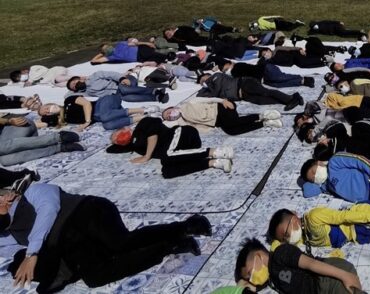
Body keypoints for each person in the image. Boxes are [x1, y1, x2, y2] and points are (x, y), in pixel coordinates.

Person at [0, 168, 212, 292]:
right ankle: (168, 247)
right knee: (95, 277)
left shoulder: (34, 193)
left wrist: (32, 253)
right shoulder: (10, 233)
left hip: (90, 212)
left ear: (7, 197)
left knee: (119, 243)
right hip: (74, 241)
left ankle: (185, 226)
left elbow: (49, 210)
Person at [221, 237, 363, 294]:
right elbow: (246, 290)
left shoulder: (280, 254)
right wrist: (243, 284)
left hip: (326, 277)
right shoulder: (271, 279)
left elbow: (311, 263)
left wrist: (344, 275)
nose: (252, 279)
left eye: (250, 273)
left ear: (258, 256)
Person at [106, 117, 235, 177]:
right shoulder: (134, 146)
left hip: (183, 134)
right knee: (167, 172)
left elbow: (153, 136)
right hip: (178, 150)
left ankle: (216, 151)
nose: (118, 140)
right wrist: (115, 141)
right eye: (117, 141)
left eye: (118, 135)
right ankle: (215, 162)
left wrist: (146, 156)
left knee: (166, 156)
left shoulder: (143, 124)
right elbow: (110, 149)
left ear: (125, 129)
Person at [196, 72, 303, 112]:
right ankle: (291, 98)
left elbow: (215, 92)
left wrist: (207, 86)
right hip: (242, 95)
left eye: (203, 79)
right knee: (262, 101)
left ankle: (290, 99)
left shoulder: (216, 76)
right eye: (202, 82)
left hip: (244, 84)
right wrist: (204, 89)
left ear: (207, 75)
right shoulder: (211, 87)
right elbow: (201, 97)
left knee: (266, 92)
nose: (204, 82)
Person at [162, 98, 284, 133]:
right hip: (218, 121)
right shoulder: (182, 122)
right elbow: (167, 125)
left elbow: (208, 99)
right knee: (232, 131)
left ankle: (262, 115)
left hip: (220, 108)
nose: (170, 115)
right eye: (168, 116)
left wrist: (223, 101)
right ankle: (265, 123)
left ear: (173, 107)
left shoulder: (189, 102)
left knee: (231, 123)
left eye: (168, 112)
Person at [0, 115, 83, 166]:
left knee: (2, 147)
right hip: (22, 143)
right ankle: (59, 147)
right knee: (5, 161)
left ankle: (58, 137)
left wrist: (9, 121)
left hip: (20, 128)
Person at [67, 71, 168, 103]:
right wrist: (71, 89)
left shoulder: (95, 76)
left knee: (123, 89)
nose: (75, 84)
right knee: (125, 98)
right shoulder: (86, 93)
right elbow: (67, 96)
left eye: (75, 82)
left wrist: (122, 79)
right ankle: (157, 97)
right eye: (73, 86)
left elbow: (111, 74)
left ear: (79, 78)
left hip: (126, 81)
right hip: (119, 93)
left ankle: (154, 90)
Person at [90, 39, 171, 65]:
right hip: (139, 57)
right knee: (157, 60)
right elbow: (93, 61)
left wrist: (147, 43)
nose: (108, 48)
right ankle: (169, 58)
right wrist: (101, 53)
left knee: (156, 53)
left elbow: (135, 43)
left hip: (141, 49)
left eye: (107, 47)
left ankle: (169, 55)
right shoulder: (110, 57)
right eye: (105, 49)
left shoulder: (120, 44)